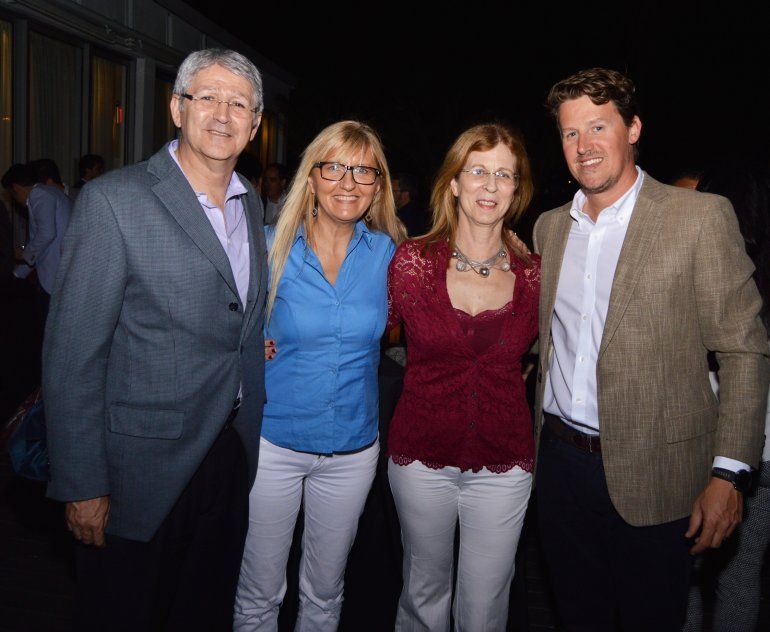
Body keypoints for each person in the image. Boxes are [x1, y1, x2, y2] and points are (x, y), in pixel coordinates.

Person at [533, 67, 770, 631]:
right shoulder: (548, 229)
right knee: (576, 616)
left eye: (598, 126)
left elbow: (744, 348)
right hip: (561, 469)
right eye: (570, 133)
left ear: (633, 128)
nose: (584, 146)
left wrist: (729, 473)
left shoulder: (699, 218)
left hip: (659, 477)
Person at [43, 48, 267, 631]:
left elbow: (236, 324)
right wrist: (82, 482)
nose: (223, 114)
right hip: (137, 471)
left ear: (256, 123)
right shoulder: (114, 201)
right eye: (207, 97)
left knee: (203, 614)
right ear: (176, 107)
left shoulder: (253, 205)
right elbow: (72, 357)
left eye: (238, 103)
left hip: (227, 455)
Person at [234, 120, 405, 631]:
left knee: (326, 593)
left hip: (352, 450)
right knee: (260, 592)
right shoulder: (267, 248)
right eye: (334, 167)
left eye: (362, 171)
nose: (347, 182)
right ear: (311, 177)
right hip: (274, 444)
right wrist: (243, 348)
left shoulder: (390, 256)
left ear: (378, 186)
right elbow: (212, 318)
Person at [386, 123, 539, 631]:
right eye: (478, 171)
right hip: (420, 459)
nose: (490, 185)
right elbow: (363, 330)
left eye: (504, 175)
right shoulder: (411, 263)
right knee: (423, 592)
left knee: (484, 606)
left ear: (517, 190)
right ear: (454, 182)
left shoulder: (537, 275)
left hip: (504, 463)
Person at [684, 163, 770, 632]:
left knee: (694, 576)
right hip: (752, 455)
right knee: (739, 575)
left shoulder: (725, 270)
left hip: (725, 448)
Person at [2, 162, 72, 319]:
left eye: (12, 195)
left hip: (53, 278)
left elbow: (46, 234)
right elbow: (41, 241)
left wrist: (23, 254)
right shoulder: (52, 193)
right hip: (59, 275)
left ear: (17, 188)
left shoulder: (39, 195)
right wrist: (17, 274)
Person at [392, 172, 429, 236]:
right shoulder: (398, 212)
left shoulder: (410, 218)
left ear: (405, 193)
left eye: (394, 191)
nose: (390, 194)